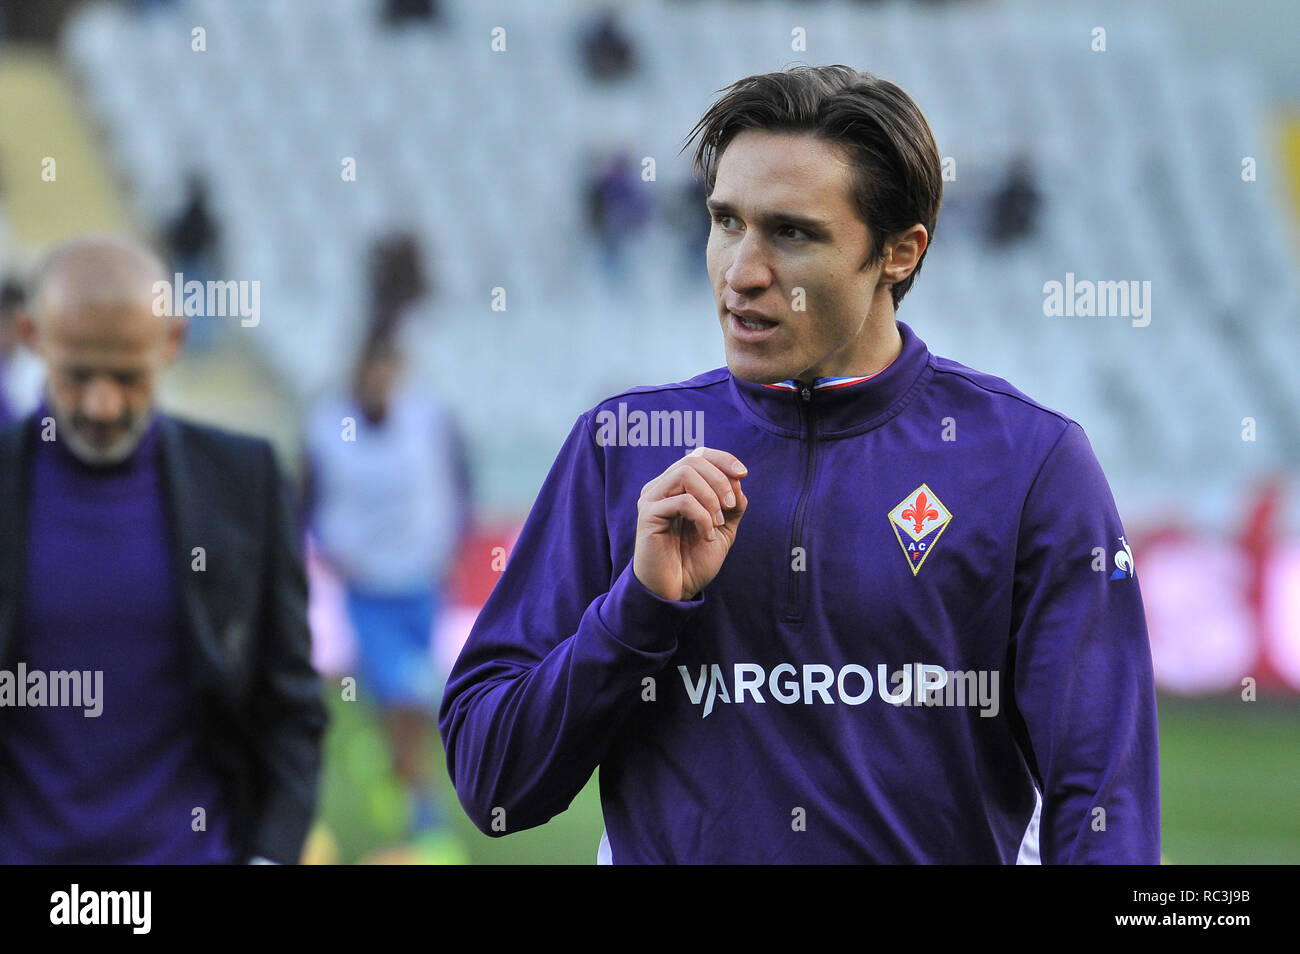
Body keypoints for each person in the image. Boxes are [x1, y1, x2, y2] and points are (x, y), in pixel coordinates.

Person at [439, 66, 1160, 864]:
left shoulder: (1029, 464)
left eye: (792, 232)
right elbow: (493, 782)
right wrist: (638, 611)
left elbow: (1105, 804)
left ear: (897, 252)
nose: (742, 272)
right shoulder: (627, 444)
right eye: (724, 222)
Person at [0, 235, 327, 863]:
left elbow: (289, 706)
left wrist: (269, 856)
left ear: (172, 341)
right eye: (77, 376)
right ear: (30, 334)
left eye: (127, 377)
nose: (102, 403)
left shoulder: (244, 483)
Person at [303, 326, 471, 855]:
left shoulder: (428, 420)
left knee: (412, 692)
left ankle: (396, 769)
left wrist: (453, 543)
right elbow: (305, 496)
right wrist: (325, 549)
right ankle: (423, 812)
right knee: (400, 691)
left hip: (420, 581)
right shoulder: (327, 427)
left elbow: (459, 481)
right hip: (367, 586)